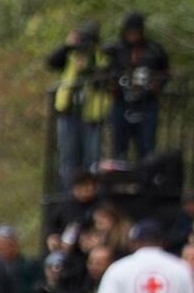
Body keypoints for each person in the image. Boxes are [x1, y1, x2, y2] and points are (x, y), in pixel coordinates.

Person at [104, 11, 171, 167]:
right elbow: (107, 72)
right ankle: (120, 183)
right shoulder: (117, 50)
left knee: (146, 147)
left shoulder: (154, 49)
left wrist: (157, 86)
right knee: (119, 148)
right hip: (121, 103)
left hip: (147, 104)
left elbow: (166, 71)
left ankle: (146, 182)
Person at [43, 28, 102, 193]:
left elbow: (107, 79)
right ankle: (68, 196)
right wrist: (67, 46)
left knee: (92, 160)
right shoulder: (70, 55)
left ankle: (91, 193)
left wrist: (91, 69)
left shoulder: (100, 57)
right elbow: (51, 62)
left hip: (92, 116)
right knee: (68, 160)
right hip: (68, 113)